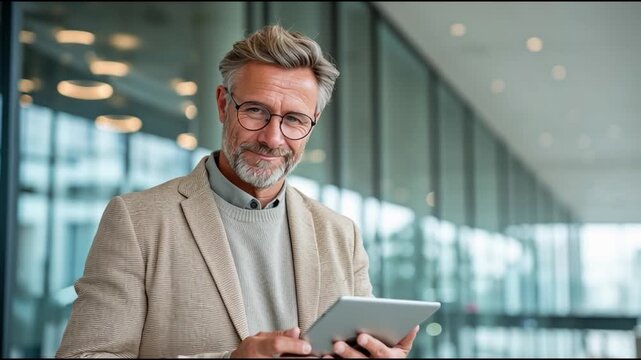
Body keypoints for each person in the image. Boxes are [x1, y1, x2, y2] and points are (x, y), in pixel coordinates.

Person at [56, 24, 419, 358]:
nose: (272, 138)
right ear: (222, 104)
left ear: (312, 125)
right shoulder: (138, 221)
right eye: (256, 111)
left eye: (293, 119)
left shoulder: (342, 235)